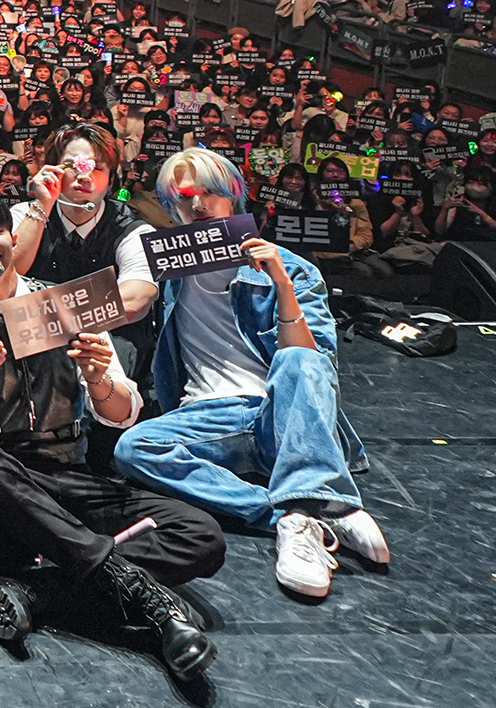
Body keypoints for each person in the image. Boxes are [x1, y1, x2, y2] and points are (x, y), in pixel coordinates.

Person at [0, 188, 220, 678]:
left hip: (71, 473)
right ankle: (142, 594)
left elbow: (120, 414)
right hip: (8, 488)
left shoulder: (67, 306)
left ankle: (38, 591)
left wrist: (103, 376)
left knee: (201, 536)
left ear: (13, 236)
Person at [112, 147, 388, 601]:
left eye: (210, 192)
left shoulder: (293, 267)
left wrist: (281, 285)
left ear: (235, 195)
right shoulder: (166, 273)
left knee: (300, 360)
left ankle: (312, 501)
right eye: (184, 197)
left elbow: (316, 364)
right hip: (207, 417)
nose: (198, 204)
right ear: (169, 205)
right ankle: (296, 514)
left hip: (280, 413)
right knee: (134, 448)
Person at [3, 123, 159, 382]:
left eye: (97, 168)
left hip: (108, 348)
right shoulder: (22, 214)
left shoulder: (133, 229)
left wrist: (39, 319)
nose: (84, 176)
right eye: (71, 166)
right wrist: (43, 204)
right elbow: (8, 276)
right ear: (51, 170)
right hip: (33, 356)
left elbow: (136, 299)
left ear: (111, 180)